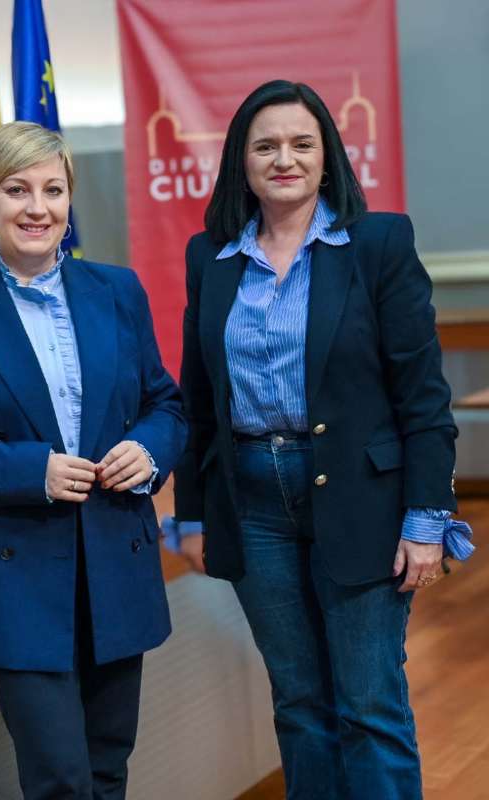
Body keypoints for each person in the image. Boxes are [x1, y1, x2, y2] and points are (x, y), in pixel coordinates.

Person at [169, 79, 474, 799]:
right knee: (300, 706)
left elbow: (422, 397)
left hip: (361, 496)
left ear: (327, 155)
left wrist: (426, 519)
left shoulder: (377, 242)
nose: (285, 159)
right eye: (266, 145)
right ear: (241, 161)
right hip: (253, 498)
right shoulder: (209, 254)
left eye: (302, 144)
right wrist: (189, 509)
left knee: (368, 704)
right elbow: (197, 395)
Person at [0, 121, 186, 800]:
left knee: (109, 766)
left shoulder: (117, 292)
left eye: (53, 190)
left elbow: (165, 406)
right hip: (13, 575)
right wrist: (34, 470)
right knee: (59, 779)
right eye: (16, 189)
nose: (37, 207)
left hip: (116, 560)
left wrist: (147, 449)